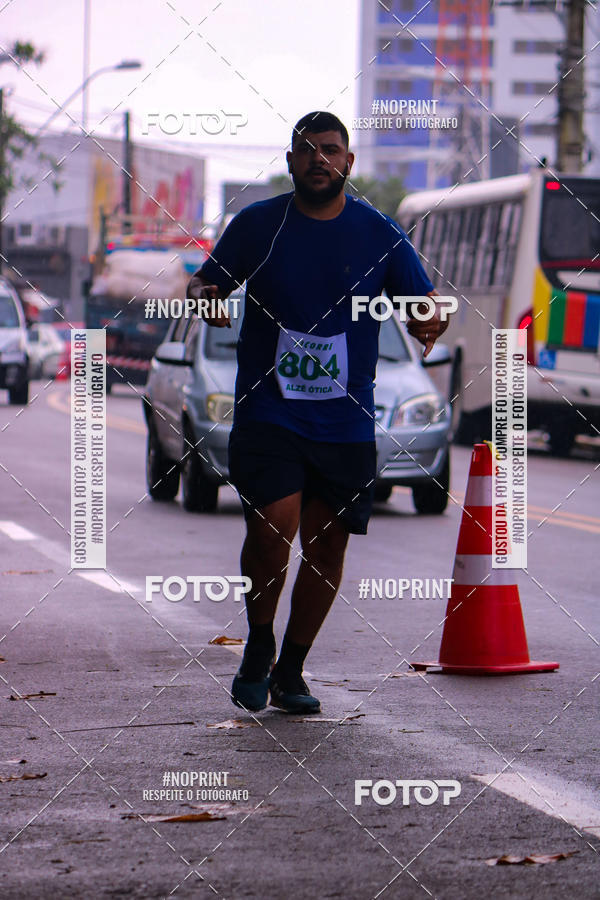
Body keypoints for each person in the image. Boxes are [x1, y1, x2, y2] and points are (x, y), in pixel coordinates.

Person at [187, 111, 448, 715]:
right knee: (270, 530)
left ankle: (291, 669)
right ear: (290, 161)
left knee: (327, 550)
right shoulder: (257, 225)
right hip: (270, 412)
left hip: (345, 421)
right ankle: (258, 643)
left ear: (348, 162)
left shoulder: (379, 233)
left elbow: (424, 302)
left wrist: (428, 319)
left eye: (329, 149)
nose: (318, 159)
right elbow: (202, 283)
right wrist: (205, 299)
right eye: (306, 150)